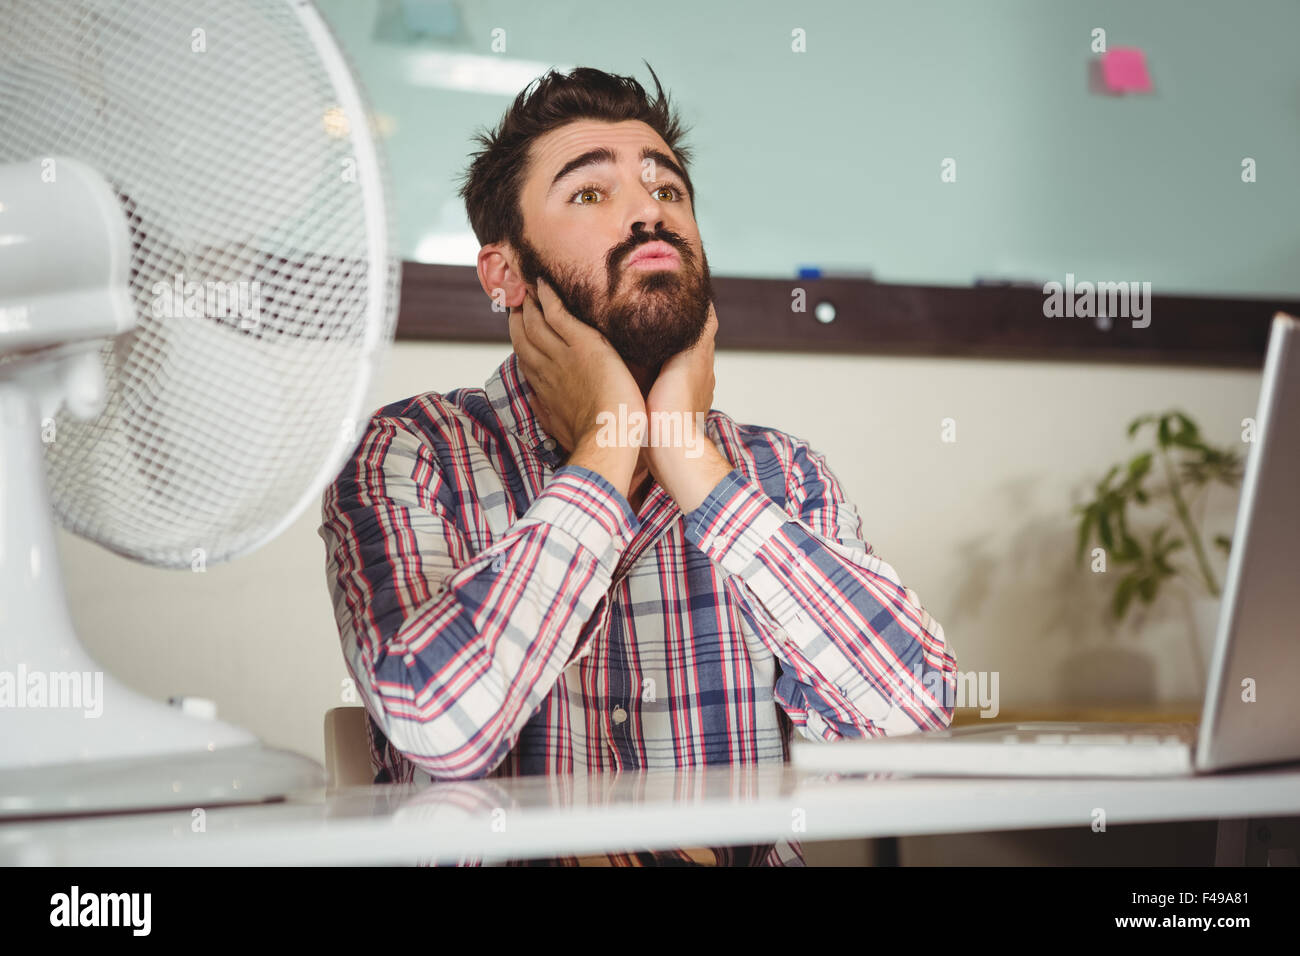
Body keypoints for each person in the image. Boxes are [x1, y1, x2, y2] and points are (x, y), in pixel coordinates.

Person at [318, 64, 957, 866]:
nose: (650, 211)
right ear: (504, 274)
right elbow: (442, 726)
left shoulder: (784, 474)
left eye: (670, 192)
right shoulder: (413, 455)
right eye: (590, 194)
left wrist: (692, 465)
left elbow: (909, 719)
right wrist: (607, 447)